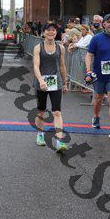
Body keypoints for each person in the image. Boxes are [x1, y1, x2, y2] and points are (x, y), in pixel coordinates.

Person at [85, 14, 110, 141]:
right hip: (99, 75)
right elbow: (89, 55)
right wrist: (88, 71)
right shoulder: (96, 39)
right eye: (108, 22)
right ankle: (96, 116)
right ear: (104, 24)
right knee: (98, 98)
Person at [33, 23, 68, 151]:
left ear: (56, 33)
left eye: (53, 30)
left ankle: (59, 141)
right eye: (48, 30)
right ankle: (40, 134)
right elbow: (36, 66)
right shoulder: (38, 47)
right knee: (41, 111)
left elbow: (62, 66)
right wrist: (41, 80)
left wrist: (64, 83)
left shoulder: (60, 48)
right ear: (44, 32)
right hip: (41, 83)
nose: (51, 32)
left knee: (57, 112)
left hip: (55, 83)